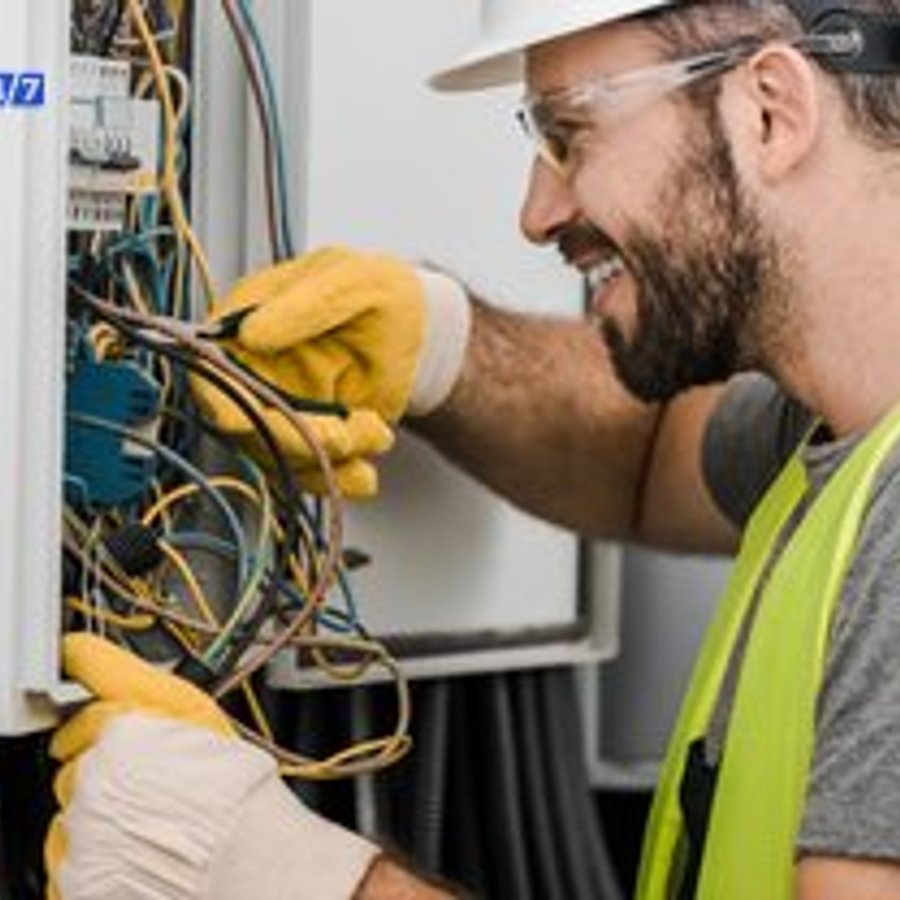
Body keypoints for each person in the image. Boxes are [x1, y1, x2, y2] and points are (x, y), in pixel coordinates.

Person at [46, 0, 900, 897]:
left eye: (571, 131)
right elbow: (650, 461)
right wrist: (444, 349)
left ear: (771, 110)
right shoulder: (831, 423)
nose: (537, 212)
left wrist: (286, 875)